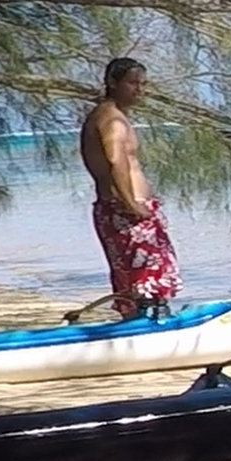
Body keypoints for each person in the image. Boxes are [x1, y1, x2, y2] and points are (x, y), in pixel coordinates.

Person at [80, 56, 181, 319]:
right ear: (112, 82)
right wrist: (131, 204)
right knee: (147, 278)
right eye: (132, 83)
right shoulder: (112, 119)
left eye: (143, 84)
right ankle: (149, 326)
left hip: (118, 209)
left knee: (134, 279)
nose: (139, 90)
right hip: (125, 211)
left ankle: (141, 321)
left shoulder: (104, 116)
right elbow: (116, 160)